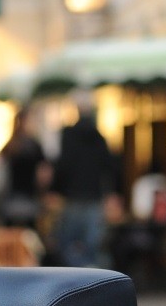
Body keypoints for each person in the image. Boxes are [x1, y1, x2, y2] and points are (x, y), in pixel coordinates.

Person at [49, 94, 119, 268]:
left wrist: (55, 189)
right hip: (94, 197)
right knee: (92, 247)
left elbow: (63, 166)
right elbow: (110, 167)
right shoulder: (99, 138)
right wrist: (113, 193)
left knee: (67, 244)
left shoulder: (69, 136)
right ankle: (92, 281)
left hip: (73, 198)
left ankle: (75, 281)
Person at [0, 109, 50, 230]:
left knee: (12, 237)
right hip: (29, 199)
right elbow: (43, 175)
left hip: (10, 200)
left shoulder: (11, 144)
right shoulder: (34, 145)